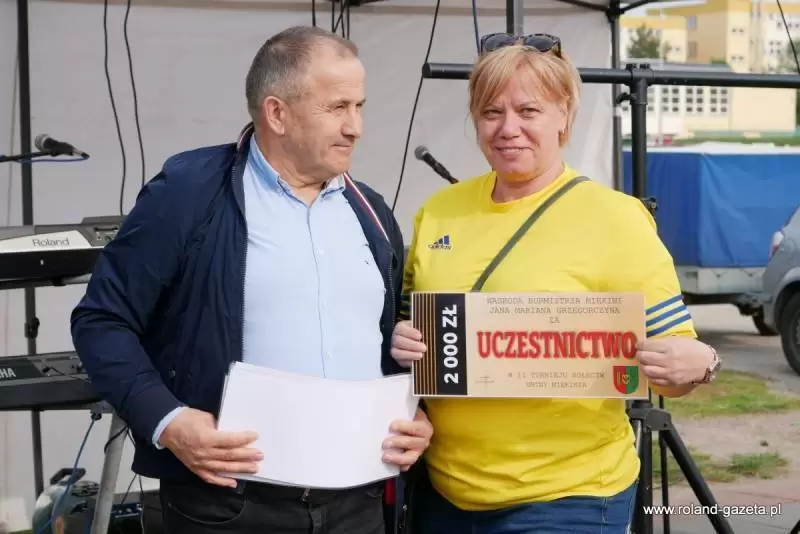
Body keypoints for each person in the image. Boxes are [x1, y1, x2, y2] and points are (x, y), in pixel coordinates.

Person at [71, 25, 432, 534]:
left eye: (359, 106)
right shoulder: (189, 193)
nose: (356, 127)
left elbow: (384, 340)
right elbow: (102, 320)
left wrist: (413, 408)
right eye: (337, 107)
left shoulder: (370, 211)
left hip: (359, 504)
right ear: (276, 113)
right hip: (228, 506)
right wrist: (168, 421)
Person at [390, 33, 721, 534]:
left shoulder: (616, 219)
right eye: (491, 112)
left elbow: (674, 364)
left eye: (529, 110)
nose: (508, 129)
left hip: (570, 498)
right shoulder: (438, 212)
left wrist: (700, 363)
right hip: (445, 493)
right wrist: (402, 343)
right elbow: (409, 334)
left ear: (564, 115)